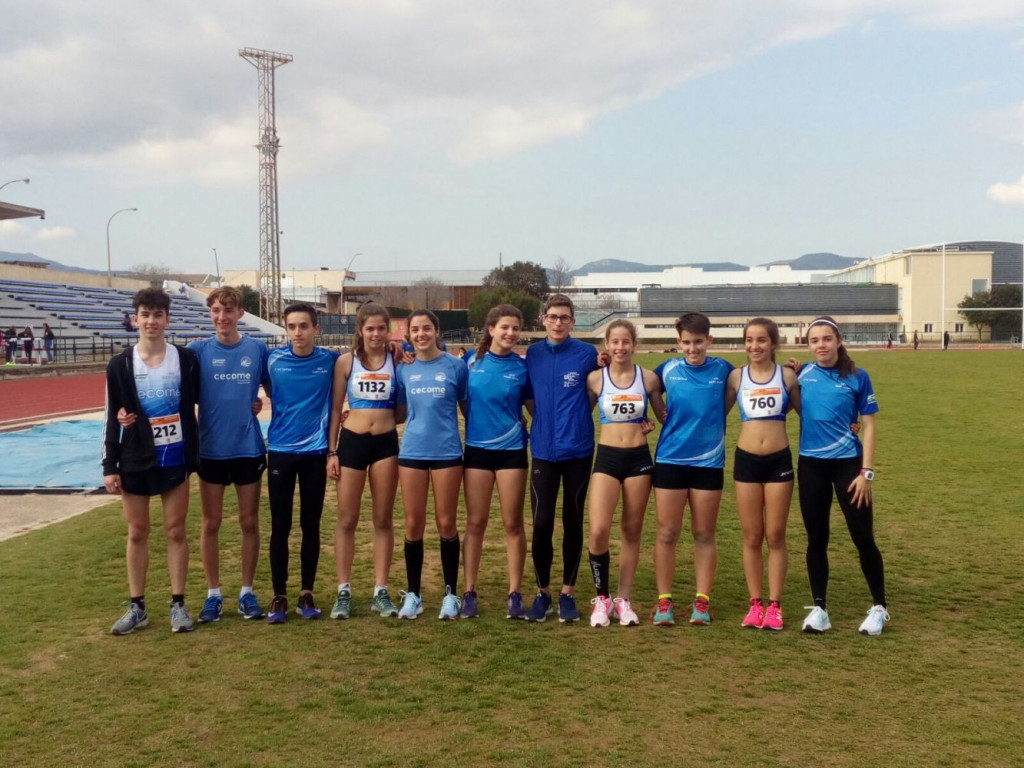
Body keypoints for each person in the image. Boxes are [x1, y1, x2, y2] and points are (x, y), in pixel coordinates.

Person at [102, 288, 200, 635]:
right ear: (135, 319)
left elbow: (202, 401)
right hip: (135, 459)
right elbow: (112, 416)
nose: (151, 321)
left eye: (158, 315)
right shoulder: (120, 364)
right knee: (138, 531)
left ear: (167, 319)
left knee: (175, 530)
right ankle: (137, 606)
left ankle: (178, 604)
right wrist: (110, 464)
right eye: (145, 314)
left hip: (175, 457)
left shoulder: (185, 360)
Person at [796, 316, 889, 636]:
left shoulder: (857, 377)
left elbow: (870, 426)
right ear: (807, 345)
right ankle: (819, 609)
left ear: (838, 341)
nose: (820, 345)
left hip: (849, 467)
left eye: (826, 339)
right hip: (810, 466)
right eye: (814, 341)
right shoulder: (801, 374)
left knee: (863, 538)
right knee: (816, 538)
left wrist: (867, 472)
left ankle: (879, 607)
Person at [186, 287, 271, 623]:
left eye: (229, 310)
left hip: (248, 448)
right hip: (211, 451)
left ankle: (247, 593)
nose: (222, 317)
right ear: (210, 313)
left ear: (240, 314)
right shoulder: (196, 351)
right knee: (211, 523)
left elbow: (273, 388)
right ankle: (213, 595)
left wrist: (261, 402)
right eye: (216, 310)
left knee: (249, 522)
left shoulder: (257, 349)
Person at [651, 312, 734, 626]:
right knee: (667, 533)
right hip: (671, 460)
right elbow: (640, 383)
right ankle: (664, 602)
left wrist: (794, 368)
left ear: (709, 340)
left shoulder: (724, 369)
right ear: (678, 342)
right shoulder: (668, 369)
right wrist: (658, 410)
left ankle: (702, 601)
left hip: (709, 463)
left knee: (703, 533)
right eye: (686, 342)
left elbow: (756, 377)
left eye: (698, 342)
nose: (693, 348)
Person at [524, 295, 600, 623]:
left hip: (578, 451)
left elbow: (607, 388)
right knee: (541, 524)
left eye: (564, 318)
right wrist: (543, 421)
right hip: (542, 450)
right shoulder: (533, 353)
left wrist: (578, 418)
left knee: (572, 520)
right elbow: (528, 396)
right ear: (543, 319)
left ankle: (567, 593)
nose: (558, 323)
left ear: (573, 321)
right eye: (553, 317)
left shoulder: (587, 354)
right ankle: (542, 593)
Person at [585, 319, 664, 628]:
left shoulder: (648, 379)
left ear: (634, 344)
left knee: (632, 531)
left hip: (638, 459)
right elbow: (576, 413)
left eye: (625, 342)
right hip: (606, 457)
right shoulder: (595, 380)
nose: (620, 347)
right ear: (607, 344)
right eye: (614, 342)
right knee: (599, 530)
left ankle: (623, 599)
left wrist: (652, 424)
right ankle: (602, 599)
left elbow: (664, 416)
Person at [326, 303, 401, 620]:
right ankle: (343, 590)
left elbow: (404, 406)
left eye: (380, 328)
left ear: (387, 331)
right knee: (347, 519)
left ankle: (380, 591)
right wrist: (332, 451)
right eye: (369, 328)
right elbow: (333, 409)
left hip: (385, 443)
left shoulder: (397, 359)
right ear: (360, 330)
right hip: (352, 442)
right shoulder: (346, 362)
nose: (375, 334)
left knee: (383, 519)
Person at [265, 303, 339, 624]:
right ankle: (279, 595)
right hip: (280, 451)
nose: (298, 332)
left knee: (311, 524)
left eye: (304, 326)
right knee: (280, 526)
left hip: (315, 452)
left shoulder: (330, 360)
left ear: (316, 329)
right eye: (292, 326)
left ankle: (307, 592)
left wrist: (397, 345)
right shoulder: (272, 360)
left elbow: (365, 355)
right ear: (286, 329)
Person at [394, 309, 469, 620]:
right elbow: (398, 413)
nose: (421, 333)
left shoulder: (456, 366)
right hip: (411, 451)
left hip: (447, 453)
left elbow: (468, 410)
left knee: (446, 523)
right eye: (415, 329)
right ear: (409, 334)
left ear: (437, 331)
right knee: (413, 525)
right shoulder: (403, 370)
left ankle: (451, 595)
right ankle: (414, 595)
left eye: (427, 328)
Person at [726, 318, 800, 631]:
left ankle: (775, 605)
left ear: (773, 343)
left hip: (778, 461)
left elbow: (811, 413)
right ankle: (755, 604)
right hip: (746, 462)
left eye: (761, 340)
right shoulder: (735, 377)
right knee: (753, 536)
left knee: (776, 535)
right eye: (749, 340)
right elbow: (712, 413)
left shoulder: (788, 376)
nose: (754, 346)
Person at [461, 304, 533, 619]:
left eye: (516, 328)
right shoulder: (469, 362)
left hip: (512, 452)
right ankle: (469, 591)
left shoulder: (522, 367)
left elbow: (534, 409)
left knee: (513, 523)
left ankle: (515, 593)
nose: (510, 333)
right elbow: (464, 403)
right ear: (491, 329)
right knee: (476, 523)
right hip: (477, 451)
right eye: (505, 327)